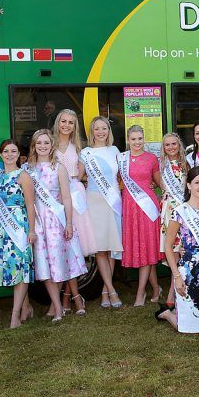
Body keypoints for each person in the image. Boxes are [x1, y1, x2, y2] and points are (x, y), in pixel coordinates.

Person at [27, 129, 87, 323]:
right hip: (37, 220)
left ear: (51, 145)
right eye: (39, 143)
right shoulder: (28, 168)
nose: (42, 146)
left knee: (58, 263)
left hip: (55, 220)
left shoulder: (58, 167)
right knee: (44, 265)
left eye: (46, 143)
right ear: (34, 146)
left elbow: (67, 198)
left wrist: (69, 223)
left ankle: (57, 308)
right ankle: (57, 306)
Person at [156, 166, 199, 333]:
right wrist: (176, 276)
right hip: (188, 271)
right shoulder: (179, 212)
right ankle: (169, 315)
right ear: (189, 185)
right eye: (197, 182)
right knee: (186, 329)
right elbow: (168, 246)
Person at [52, 109, 94, 315]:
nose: (66, 125)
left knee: (74, 249)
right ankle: (66, 299)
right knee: (60, 248)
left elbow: (80, 174)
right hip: (55, 198)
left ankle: (67, 297)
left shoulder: (79, 147)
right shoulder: (48, 143)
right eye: (63, 121)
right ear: (58, 122)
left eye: (70, 122)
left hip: (75, 198)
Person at [79, 116, 124, 308]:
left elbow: (122, 175)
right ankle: (111, 291)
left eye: (104, 128)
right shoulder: (85, 153)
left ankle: (106, 291)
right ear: (92, 132)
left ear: (108, 131)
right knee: (101, 250)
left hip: (113, 202)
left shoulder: (115, 151)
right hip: (95, 202)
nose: (100, 132)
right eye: (96, 129)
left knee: (112, 247)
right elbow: (78, 177)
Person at [120, 124, 163, 307]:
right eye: (133, 139)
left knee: (147, 248)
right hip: (130, 207)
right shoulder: (121, 159)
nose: (137, 142)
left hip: (148, 208)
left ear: (143, 139)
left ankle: (140, 293)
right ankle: (156, 288)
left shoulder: (152, 158)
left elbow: (159, 182)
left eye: (140, 138)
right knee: (144, 250)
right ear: (128, 140)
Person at [0, 139, 36, 328]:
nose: (9, 154)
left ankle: (15, 315)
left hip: (19, 227)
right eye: (6, 151)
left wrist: (32, 231)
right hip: (3, 229)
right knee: (13, 269)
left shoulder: (23, 176)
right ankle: (26, 308)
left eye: (13, 151)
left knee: (21, 269)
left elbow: (30, 205)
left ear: (19, 154)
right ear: (1, 154)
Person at [158, 133, 188, 275]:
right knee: (172, 248)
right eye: (167, 144)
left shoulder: (187, 163)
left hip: (184, 208)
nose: (171, 147)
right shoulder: (160, 165)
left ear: (179, 145)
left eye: (174, 144)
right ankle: (174, 289)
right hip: (169, 209)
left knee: (183, 247)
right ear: (163, 147)